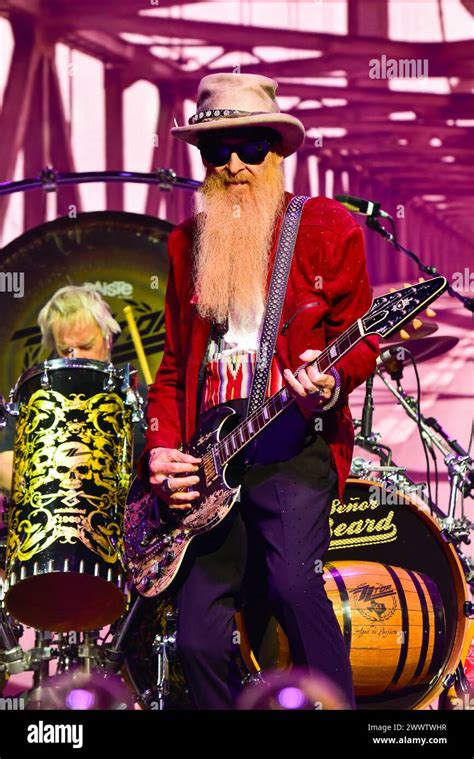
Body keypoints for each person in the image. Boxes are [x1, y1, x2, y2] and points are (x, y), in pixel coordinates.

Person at [140, 72, 379, 710]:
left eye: (250, 147)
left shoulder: (329, 228)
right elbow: (173, 369)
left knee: (294, 588)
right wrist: (162, 449)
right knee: (194, 637)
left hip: (292, 441)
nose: (236, 165)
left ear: (277, 152)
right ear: (201, 159)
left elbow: (361, 344)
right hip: (210, 459)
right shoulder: (185, 243)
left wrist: (326, 386)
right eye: (218, 150)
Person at [0, 285, 143, 491]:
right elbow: (5, 464)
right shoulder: (38, 397)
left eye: (86, 345)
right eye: (65, 349)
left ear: (108, 339)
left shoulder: (134, 393)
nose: (75, 357)